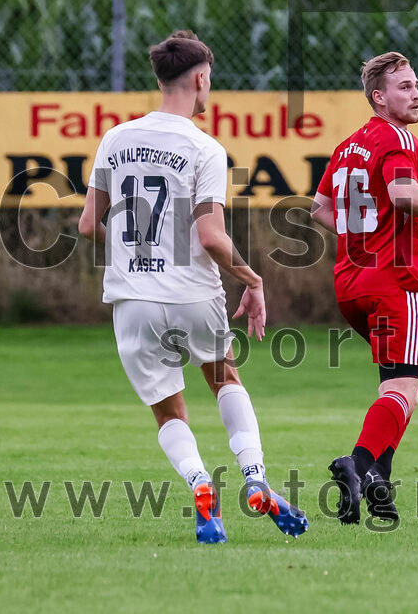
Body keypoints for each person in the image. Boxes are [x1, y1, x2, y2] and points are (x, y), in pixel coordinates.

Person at [79, 30, 308, 543]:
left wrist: (139, 255)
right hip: (192, 295)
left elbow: (87, 226)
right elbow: (210, 236)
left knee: (168, 408)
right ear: (200, 79)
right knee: (225, 377)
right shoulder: (204, 148)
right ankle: (255, 478)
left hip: (133, 299)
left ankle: (202, 487)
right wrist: (252, 278)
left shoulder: (115, 140)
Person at [311, 51, 418, 524]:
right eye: (404, 86)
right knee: (406, 383)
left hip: (349, 285)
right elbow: (402, 195)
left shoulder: (347, 146)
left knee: (401, 382)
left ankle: (380, 482)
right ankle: (358, 466)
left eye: (417, 84)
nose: (416, 92)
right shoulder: (399, 138)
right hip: (395, 282)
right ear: (379, 97)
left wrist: (362, 233)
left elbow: (318, 209)